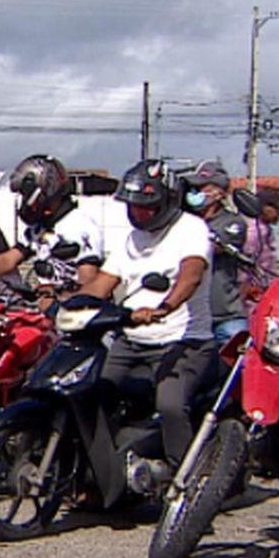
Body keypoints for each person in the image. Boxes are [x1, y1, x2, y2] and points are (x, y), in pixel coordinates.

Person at [80, 159, 214, 470]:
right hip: (132, 339)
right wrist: (68, 306)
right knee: (91, 394)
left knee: (169, 405)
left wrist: (164, 308)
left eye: (147, 207)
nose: (138, 214)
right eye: (133, 207)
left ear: (166, 202)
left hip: (183, 340)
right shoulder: (132, 238)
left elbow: (191, 275)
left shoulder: (192, 229)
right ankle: (101, 476)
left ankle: (185, 484)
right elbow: (104, 281)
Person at [0, 154, 106, 299]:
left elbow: (89, 279)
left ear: (47, 190)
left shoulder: (80, 226)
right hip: (47, 307)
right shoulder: (39, 229)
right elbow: (8, 260)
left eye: (26, 196)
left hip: (75, 312)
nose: (25, 203)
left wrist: (60, 292)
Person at [184, 161, 250, 345]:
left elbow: (211, 248)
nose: (194, 193)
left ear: (218, 193)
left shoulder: (232, 223)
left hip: (225, 314)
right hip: (191, 314)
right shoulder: (185, 221)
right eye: (192, 188)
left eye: (200, 188)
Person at [241, 189, 279, 301]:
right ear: (265, 208)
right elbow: (244, 265)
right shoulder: (254, 232)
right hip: (251, 296)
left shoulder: (265, 230)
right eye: (278, 210)